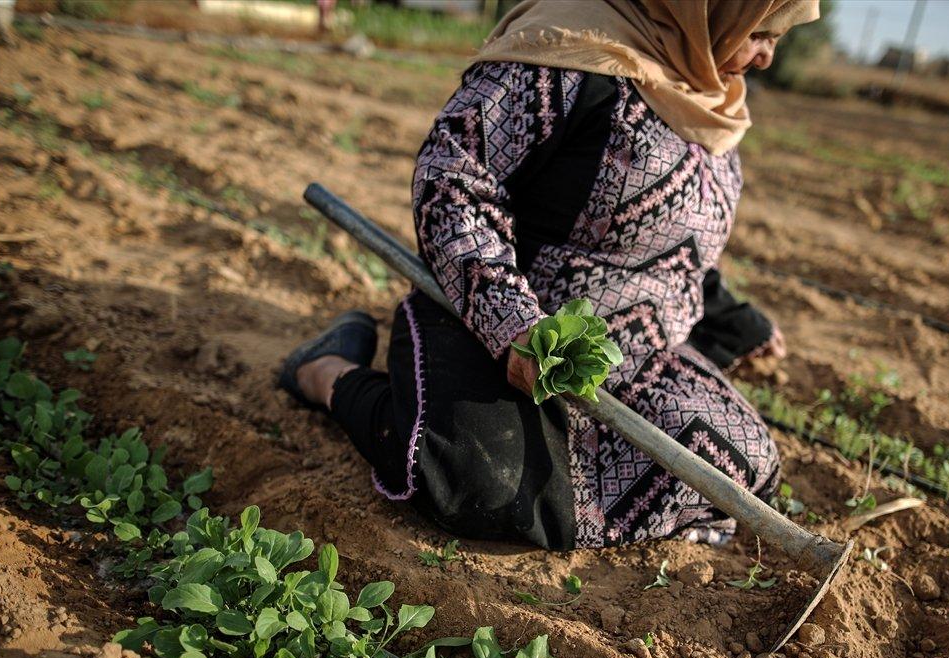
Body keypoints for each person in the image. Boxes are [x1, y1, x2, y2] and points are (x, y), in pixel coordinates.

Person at [279, 0, 820, 551]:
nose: (766, 57)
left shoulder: (713, 99)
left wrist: (736, 320)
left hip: (623, 357)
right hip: (496, 329)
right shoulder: (566, 54)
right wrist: (512, 322)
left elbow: (676, 244)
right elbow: (454, 182)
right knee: (474, 478)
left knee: (743, 461)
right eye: (760, 33)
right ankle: (325, 370)